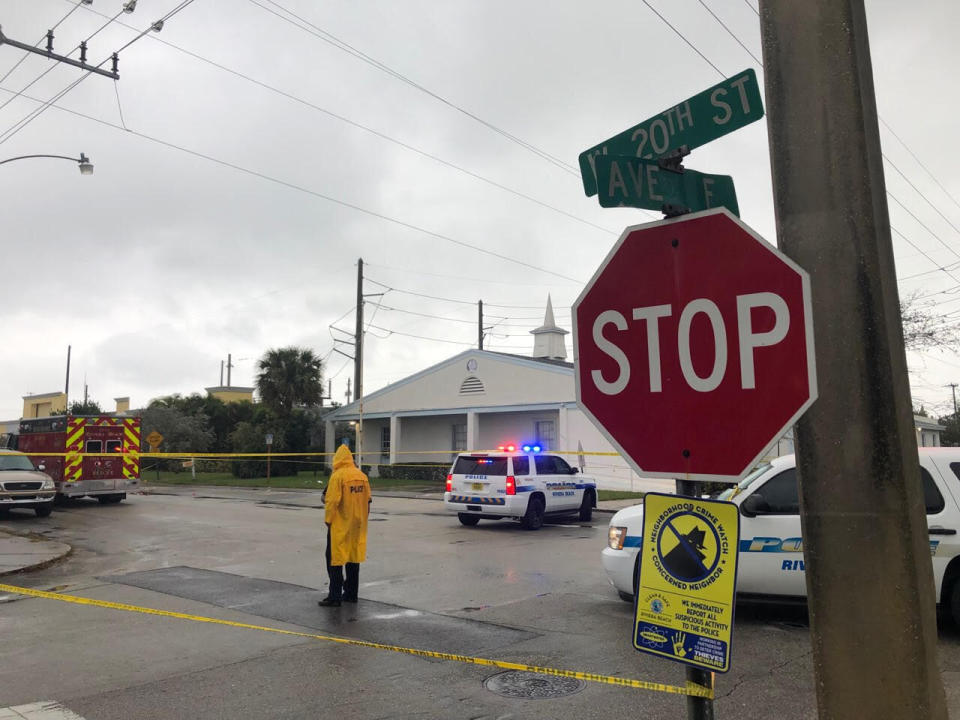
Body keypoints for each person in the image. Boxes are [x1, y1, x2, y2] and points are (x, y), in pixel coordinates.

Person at [319, 444, 371, 607]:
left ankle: (334, 596)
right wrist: (363, 519)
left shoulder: (337, 476)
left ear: (338, 459)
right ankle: (351, 594)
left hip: (340, 524)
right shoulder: (362, 476)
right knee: (353, 558)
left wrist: (328, 520)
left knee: (334, 558)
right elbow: (368, 501)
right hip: (358, 524)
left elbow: (332, 501)